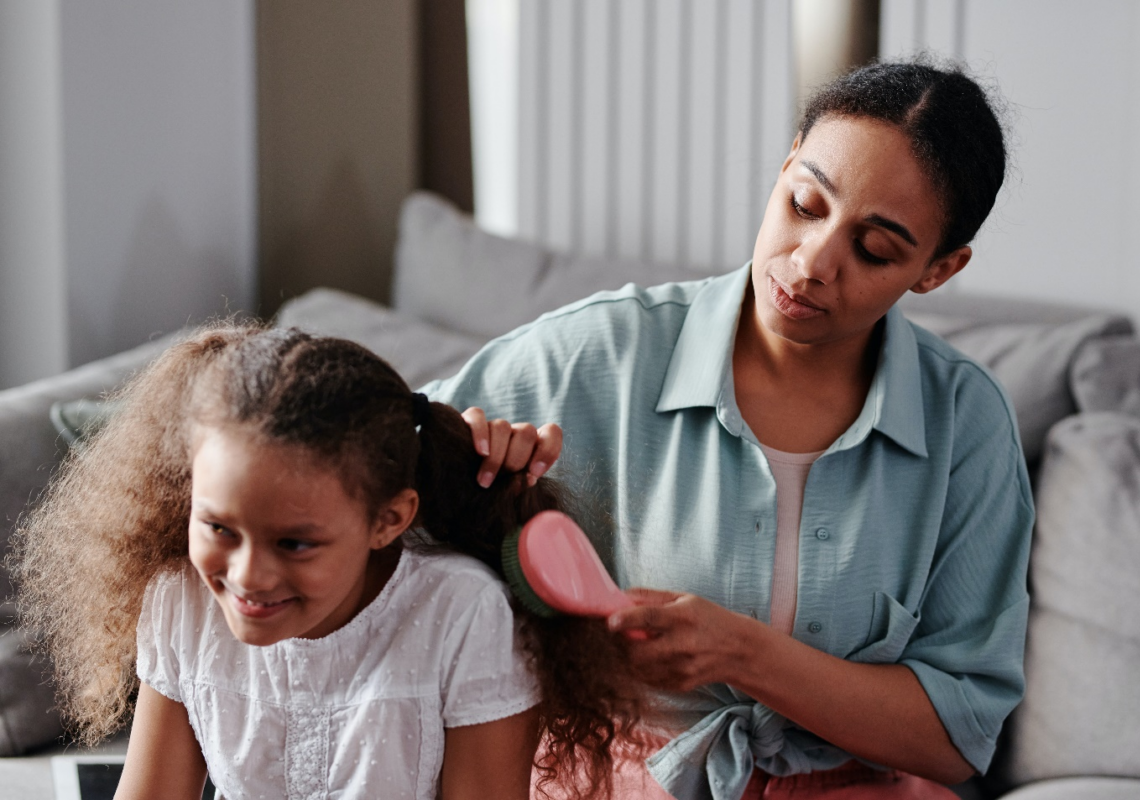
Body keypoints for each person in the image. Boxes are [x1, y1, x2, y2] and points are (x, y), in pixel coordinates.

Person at [427, 59, 1034, 799]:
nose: (812, 263)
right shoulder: (604, 351)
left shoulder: (966, 424)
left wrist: (745, 654)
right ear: (783, 169)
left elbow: (955, 737)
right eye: (805, 203)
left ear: (938, 270)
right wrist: (475, 459)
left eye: (874, 249)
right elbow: (366, 453)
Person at [9, 324, 645, 800]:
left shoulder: (462, 612)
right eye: (218, 527)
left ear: (388, 520)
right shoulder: (180, 600)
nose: (248, 576)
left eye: (295, 543)